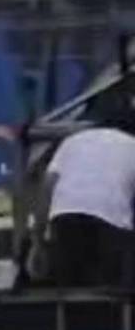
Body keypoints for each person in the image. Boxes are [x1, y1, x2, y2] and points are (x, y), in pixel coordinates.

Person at [42, 117, 135, 289]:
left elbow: (49, 183)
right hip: (110, 217)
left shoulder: (72, 141)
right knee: (111, 286)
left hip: (64, 214)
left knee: (71, 284)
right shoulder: (132, 144)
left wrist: (39, 235)